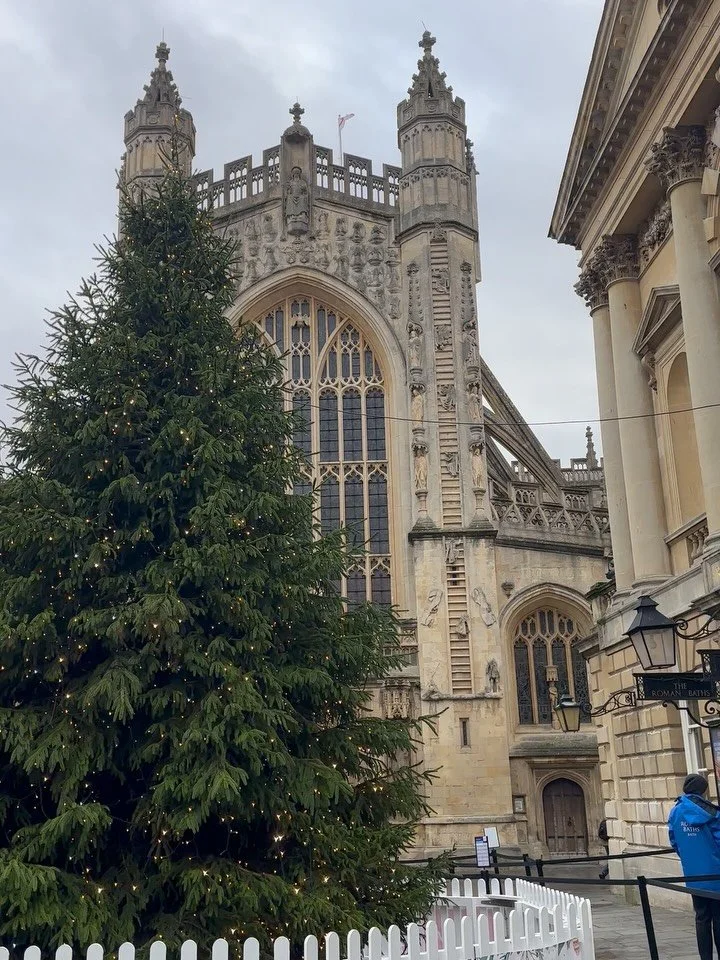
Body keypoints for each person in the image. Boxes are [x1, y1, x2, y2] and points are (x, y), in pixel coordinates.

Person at [668, 774, 720, 960]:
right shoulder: (712, 812)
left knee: (701, 917)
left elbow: (674, 840)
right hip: (715, 872)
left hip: (692, 872)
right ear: (703, 790)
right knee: (718, 918)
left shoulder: (675, 811)